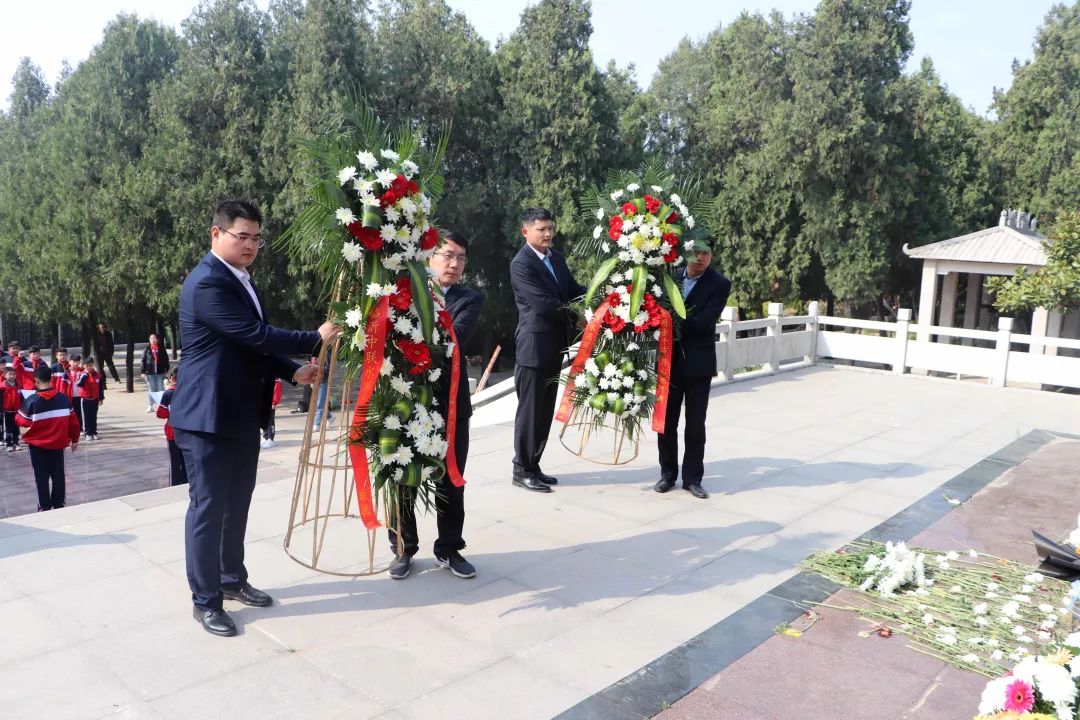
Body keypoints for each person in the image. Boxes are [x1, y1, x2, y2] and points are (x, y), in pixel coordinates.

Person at [170, 198, 338, 638]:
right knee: (208, 509)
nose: (250, 245)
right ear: (216, 234)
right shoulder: (207, 282)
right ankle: (205, 602)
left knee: (236, 505)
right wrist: (312, 338)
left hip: (241, 414)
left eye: (257, 238)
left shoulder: (241, 280)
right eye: (241, 236)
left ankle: (231, 579)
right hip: (206, 418)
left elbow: (248, 348)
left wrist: (292, 370)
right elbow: (253, 334)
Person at [387, 231, 483, 581]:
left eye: (461, 258)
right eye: (447, 255)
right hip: (406, 401)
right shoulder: (403, 291)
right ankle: (403, 548)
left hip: (451, 404)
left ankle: (450, 548)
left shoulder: (469, 299)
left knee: (451, 479)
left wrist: (413, 335)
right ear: (429, 256)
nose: (454, 264)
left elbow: (454, 339)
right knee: (402, 476)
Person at [509, 207, 585, 493]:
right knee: (530, 411)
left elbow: (572, 290)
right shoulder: (522, 264)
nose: (548, 234)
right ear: (526, 231)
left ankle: (534, 465)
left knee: (543, 411)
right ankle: (521, 469)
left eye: (550, 228)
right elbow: (543, 303)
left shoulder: (556, 259)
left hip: (554, 347)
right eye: (541, 229)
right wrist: (577, 318)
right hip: (533, 347)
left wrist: (603, 294)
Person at [654, 239, 731, 500]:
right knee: (666, 422)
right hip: (668, 361)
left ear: (712, 255)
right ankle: (667, 474)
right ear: (686, 253)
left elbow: (704, 322)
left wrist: (668, 321)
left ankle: (693, 479)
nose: (701, 257)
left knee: (695, 424)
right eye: (696, 252)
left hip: (698, 364)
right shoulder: (669, 277)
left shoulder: (720, 284)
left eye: (706, 253)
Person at [16, 364, 80, 510]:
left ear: (36, 380)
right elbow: (74, 422)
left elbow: (20, 420)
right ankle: (58, 504)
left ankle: (44, 506)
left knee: (41, 477)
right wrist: (75, 439)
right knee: (58, 476)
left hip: (38, 447)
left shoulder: (32, 400)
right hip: (58, 445)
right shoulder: (63, 399)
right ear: (50, 379)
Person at [156, 368, 187, 486]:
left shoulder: (168, 393)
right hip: (187, 431)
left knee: (174, 462)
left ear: (171, 378)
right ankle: (187, 483)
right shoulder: (189, 391)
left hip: (172, 432)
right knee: (187, 461)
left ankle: (175, 485)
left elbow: (161, 413)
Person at [141, 333, 170, 413]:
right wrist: (142, 372)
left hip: (160, 372)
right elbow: (143, 360)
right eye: (151, 338)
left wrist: (167, 370)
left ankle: (160, 405)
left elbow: (166, 359)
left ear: (157, 339)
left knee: (160, 389)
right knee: (151, 389)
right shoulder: (147, 349)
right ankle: (150, 406)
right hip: (149, 373)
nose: (152, 340)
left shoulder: (161, 348)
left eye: (154, 338)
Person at [76, 357, 103, 440]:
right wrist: (84, 376)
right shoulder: (82, 374)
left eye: (90, 365)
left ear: (93, 365)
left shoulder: (97, 374)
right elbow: (79, 384)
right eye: (87, 365)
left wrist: (101, 398)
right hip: (85, 399)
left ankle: (94, 432)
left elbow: (100, 387)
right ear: (84, 366)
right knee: (86, 417)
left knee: (93, 416)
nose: (89, 367)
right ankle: (87, 433)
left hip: (94, 399)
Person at [1, 366, 21, 452]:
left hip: (16, 411)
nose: (12, 376)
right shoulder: (2, 386)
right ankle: (8, 444)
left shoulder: (18, 385)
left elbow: (21, 397)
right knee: (7, 428)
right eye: (10, 374)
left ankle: (16, 443)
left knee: (16, 428)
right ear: (5, 375)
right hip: (6, 411)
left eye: (14, 374)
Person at [261, 377, 282, 449]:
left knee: (270, 421)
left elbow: (277, 392)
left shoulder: (276, 380)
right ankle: (265, 437)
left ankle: (270, 439)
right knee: (264, 420)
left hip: (271, 403)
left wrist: (274, 403)